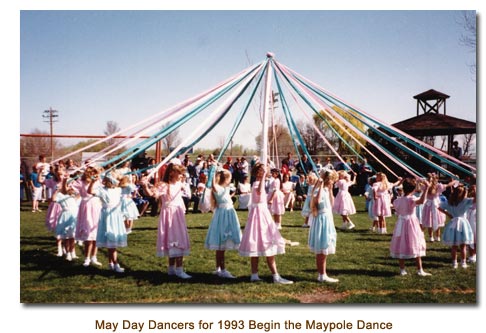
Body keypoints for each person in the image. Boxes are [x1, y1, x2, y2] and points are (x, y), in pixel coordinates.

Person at [239, 163, 293, 284]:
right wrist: (263, 177)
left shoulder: (260, 183)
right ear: (259, 172)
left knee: (261, 243)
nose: (266, 172)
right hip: (259, 215)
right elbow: (258, 192)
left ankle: (257, 274)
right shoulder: (257, 184)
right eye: (263, 171)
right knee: (264, 243)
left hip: (261, 214)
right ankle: (273, 276)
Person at [141, 163, 192, 279]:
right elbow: (152, 194)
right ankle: (174, 270)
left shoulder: (180, 184)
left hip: (178, 214)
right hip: (169, 214)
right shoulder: (164, 185)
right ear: (171, 173)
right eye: (179, 173)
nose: (181, 175)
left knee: (179, 238)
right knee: (173, 238)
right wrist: (144, 186)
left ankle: (176, 269)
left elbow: (187, 194)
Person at [389, 177, 431, 276]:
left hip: (401, 223)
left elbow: (396, 208)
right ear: (413, 189)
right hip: (411, 223)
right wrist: (426, 189)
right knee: (415, 241)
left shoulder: (398, 200)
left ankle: (402, 269)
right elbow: (421, 201)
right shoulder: (411, 199)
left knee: (400, 243)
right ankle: (420, 270)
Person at [205, 169, 242, 278]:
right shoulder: (218, 188)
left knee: (221, 247)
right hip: (223, 217)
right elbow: (213, 184)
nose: (231, 180)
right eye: (229, 178)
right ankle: (222, 269)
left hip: (228, 216)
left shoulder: (225, 189)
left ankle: (219, 268)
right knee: (221, 245)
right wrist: (212, 171)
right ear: (225, 179)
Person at [89, 172, 127, 273]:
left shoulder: (118, 190)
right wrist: (92, 182)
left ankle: (111, 264)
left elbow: (128, 185)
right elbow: (90, 191)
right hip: (107, 216)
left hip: (115, 215)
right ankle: (116, 264)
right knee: (112, 242)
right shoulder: (102, 190)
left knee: (112, 242)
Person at [308, 169, 340, 283]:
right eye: (331, 180)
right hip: (321, 219)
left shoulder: (326, 190)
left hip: (327, 218)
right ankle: (321, 275)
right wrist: (320, 184)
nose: (333, 182)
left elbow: (331, 204)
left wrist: (330, 190)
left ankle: (323, 274)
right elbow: (317, 200)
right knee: (321, 248)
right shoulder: (317, 190)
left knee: (324, 248)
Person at [71, 166, 103, 267]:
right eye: (92, 173)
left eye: (95, 173)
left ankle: (94, 257)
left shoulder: (99, 182)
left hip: (97, 206)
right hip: (86, 207)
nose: (94, 175)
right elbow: (70, 187)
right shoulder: (81, 182)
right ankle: (87, 258)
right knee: (88, 233)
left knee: (96, 234)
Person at [439, 184, 475, 269]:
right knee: (463, 245)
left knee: (454, 246)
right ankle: (463, 263)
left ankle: (454, 263)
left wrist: (448, 214)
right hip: (463, 224)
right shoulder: (465, 201)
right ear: (463, 193)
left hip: (453, 223)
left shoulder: (449, 201)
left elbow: (439, 207)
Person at [421, 173, 454, 242]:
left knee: (429, 221)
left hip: (428, 205)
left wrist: (420, 180)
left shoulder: (426, 186)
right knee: (438, 220)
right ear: (436, 179)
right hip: (436, 204)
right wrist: (455, 180)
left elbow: (419, 185)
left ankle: (431, 237)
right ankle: (437, 237)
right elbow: (448, 185)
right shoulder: (439, 186)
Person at [52, 176, 79, 261]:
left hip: (74, 215)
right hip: (65, 216)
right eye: (68, 185)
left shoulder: (73, 194)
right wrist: (57, 190)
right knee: (67, 237)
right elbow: (53, 199)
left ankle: (73, 252)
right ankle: (68, 253)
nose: (70, 187)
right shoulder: (61, 195)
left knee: (73, 236)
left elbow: (81, 194)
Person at [44, 165, 66, 256]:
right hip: (56, 206)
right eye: (58, 174)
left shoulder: (68, 181)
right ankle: (59, 248)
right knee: (57, 226)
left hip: (65, 206)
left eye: (61, 174)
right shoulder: (53, 181)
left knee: (65, 227)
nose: (60, 176)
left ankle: (65, 247)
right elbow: (40, 181)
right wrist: (40, 173)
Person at [466, 185, 476, 264]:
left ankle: (474, 254)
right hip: (469, 219)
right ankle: (472, 255)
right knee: (470, 236)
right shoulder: (468, 200)